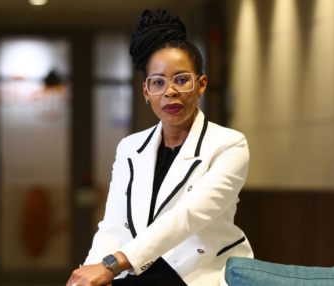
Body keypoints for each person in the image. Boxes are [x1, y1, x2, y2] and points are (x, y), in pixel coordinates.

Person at [66, 9, 253, 286]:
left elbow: (187, 216)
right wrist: (92, 273)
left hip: (198, 272)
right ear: (146, 92)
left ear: (200, 85)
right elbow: (113, 225)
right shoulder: (129, 148)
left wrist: (112, 264)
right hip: (137, 269)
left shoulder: (229, 145)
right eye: (158, 82)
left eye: (181, 79)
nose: (170, 91)